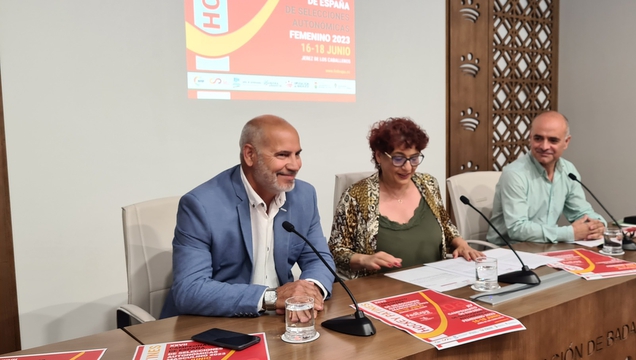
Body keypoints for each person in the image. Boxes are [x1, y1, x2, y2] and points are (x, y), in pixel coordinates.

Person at [160, 115, 335, 318]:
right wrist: (270, 298)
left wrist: (309, 291)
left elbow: (318, 258)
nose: (295, 165)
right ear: (250, 155)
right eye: (283, 155)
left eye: (297, 154)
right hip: (219, 323)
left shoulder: (304, 196)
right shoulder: (201, 205)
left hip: (280, 320)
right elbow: (190, 290)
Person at [329, 117, 484, 279]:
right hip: (379, 292)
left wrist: (461, 244)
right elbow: (336, 251)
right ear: (379, 156)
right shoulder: (356, 196)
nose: (408, 167)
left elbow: (445, 225)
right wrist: (364, 259)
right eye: (398, 158)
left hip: (435, 284)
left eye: (414, 158)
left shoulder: (428, 184)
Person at [488, 111, 606, 245]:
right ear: (530, 137)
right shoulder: (514, 174)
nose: (544, 146)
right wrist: (570, 233)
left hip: (546, 250)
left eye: (553, 140)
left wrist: (598, 226)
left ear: (566, 142)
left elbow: (582, 213)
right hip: (509, 254)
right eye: (538, 138)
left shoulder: (568, 171)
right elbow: (517, 229)